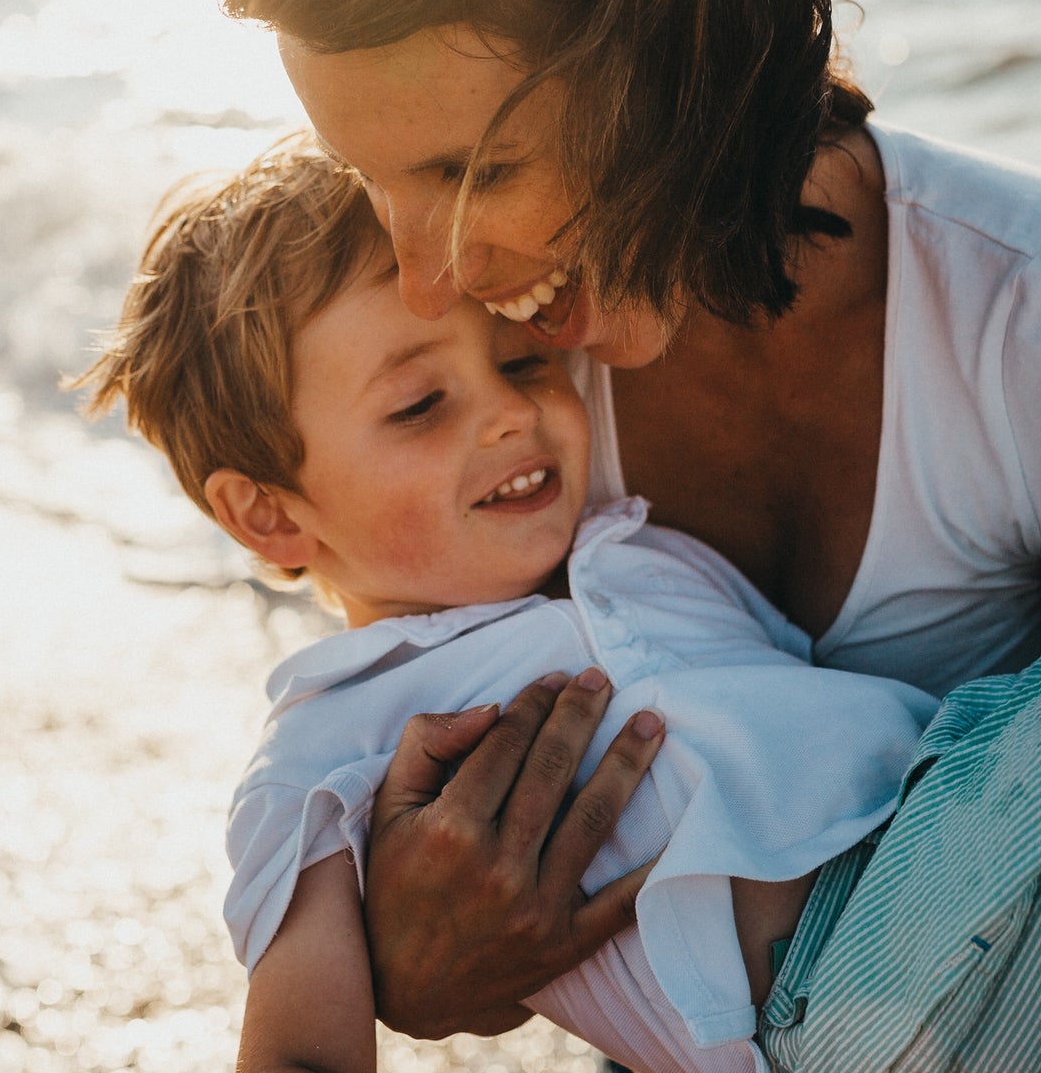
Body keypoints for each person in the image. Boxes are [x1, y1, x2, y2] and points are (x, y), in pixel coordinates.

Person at [219, 0, 1041, 1064]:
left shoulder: (1008, 316)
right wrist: (412, 954)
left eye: (476, 170)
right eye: (371, 182)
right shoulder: (492, 397)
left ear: (678, 63)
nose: (431, 273)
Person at [77, 138, 939, 1073]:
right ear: (269, 514)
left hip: (966, 796)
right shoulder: (330, 746)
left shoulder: (647, 547)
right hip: (866, 1006)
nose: (509, 413)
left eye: (524, 361)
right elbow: (299, 1055)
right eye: (419, 406)